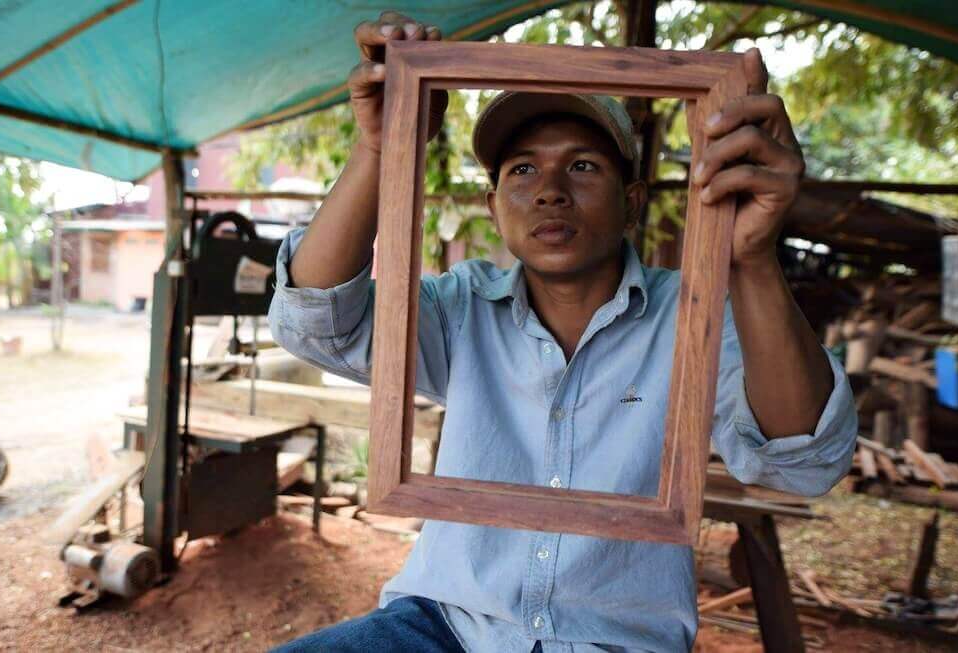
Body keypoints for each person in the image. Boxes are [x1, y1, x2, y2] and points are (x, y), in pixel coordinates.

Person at [268, 10, 857, 653]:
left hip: (619, 641)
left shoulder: (694, 320)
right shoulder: (460, 307)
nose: (549, 190)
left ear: (633, 203)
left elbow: (804, 463)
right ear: (493, 210)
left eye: (582, 166)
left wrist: (752, 258)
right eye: (522, 169)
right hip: (447, 626)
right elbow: (315, 326)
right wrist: (381, 148)